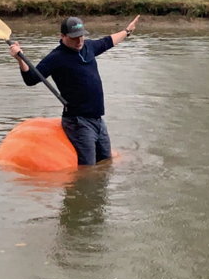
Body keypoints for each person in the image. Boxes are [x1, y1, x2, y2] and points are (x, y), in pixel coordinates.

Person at [9, 15, 140, 166]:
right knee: (87, 168)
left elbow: (107, 42)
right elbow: (31, 79)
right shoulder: (56, 58)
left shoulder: (88, 47)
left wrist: (127, 31)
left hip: (98, 119)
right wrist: (20, 59)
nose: (79, 41)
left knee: (105, 162)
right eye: (74, 38)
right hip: (78, 122)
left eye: (81, 36)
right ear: (63, 36)